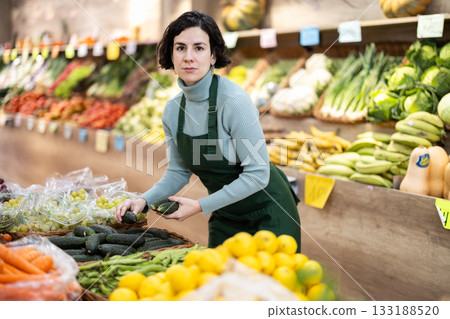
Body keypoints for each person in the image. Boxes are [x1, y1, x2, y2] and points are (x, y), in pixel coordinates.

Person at [114, 11, 301, 251]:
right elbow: (178, 172)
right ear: (171, 55)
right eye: (180, 48)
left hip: (269, 213)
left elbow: (257, 174)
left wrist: (201, 205)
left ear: (213, 55)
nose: (189, 57)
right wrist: (143, 200)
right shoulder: (173, 111)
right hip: (225, 215)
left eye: (199, 48)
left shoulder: (233, 101)